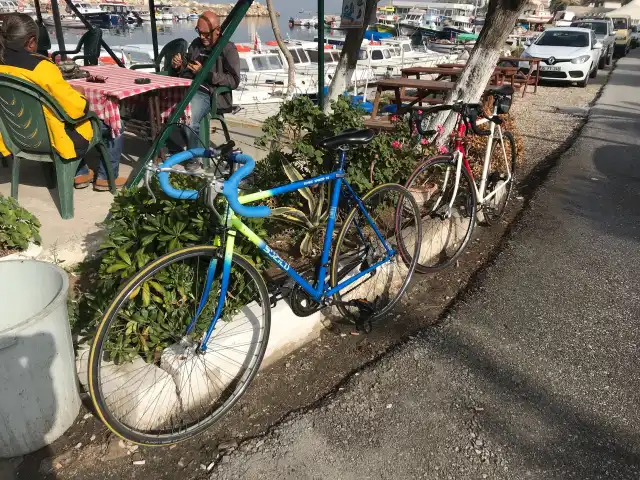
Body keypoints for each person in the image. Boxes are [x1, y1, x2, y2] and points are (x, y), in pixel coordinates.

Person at [0, 13, 126, 191]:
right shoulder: (41, 67)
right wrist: (81, 95)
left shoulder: (3, 64)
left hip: (16, 136)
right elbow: (75, 109)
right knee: (115, 125)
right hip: (51, 137)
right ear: (31, 42)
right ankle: (106, 177)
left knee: (61, 118)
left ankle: (80, 172)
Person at [168, 11, 240, 169]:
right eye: (199, 33)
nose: (202, 37)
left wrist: (205, 74)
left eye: (206, 34)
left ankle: (194, 157)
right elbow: (187, 68)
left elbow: (234, 81)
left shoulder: (228, 48)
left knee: (189, 116)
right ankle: (173, 147)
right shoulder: (196, 44)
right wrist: (179, 65)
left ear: (217, 30)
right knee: (162, 104)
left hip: (211, 93)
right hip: (190, 87)